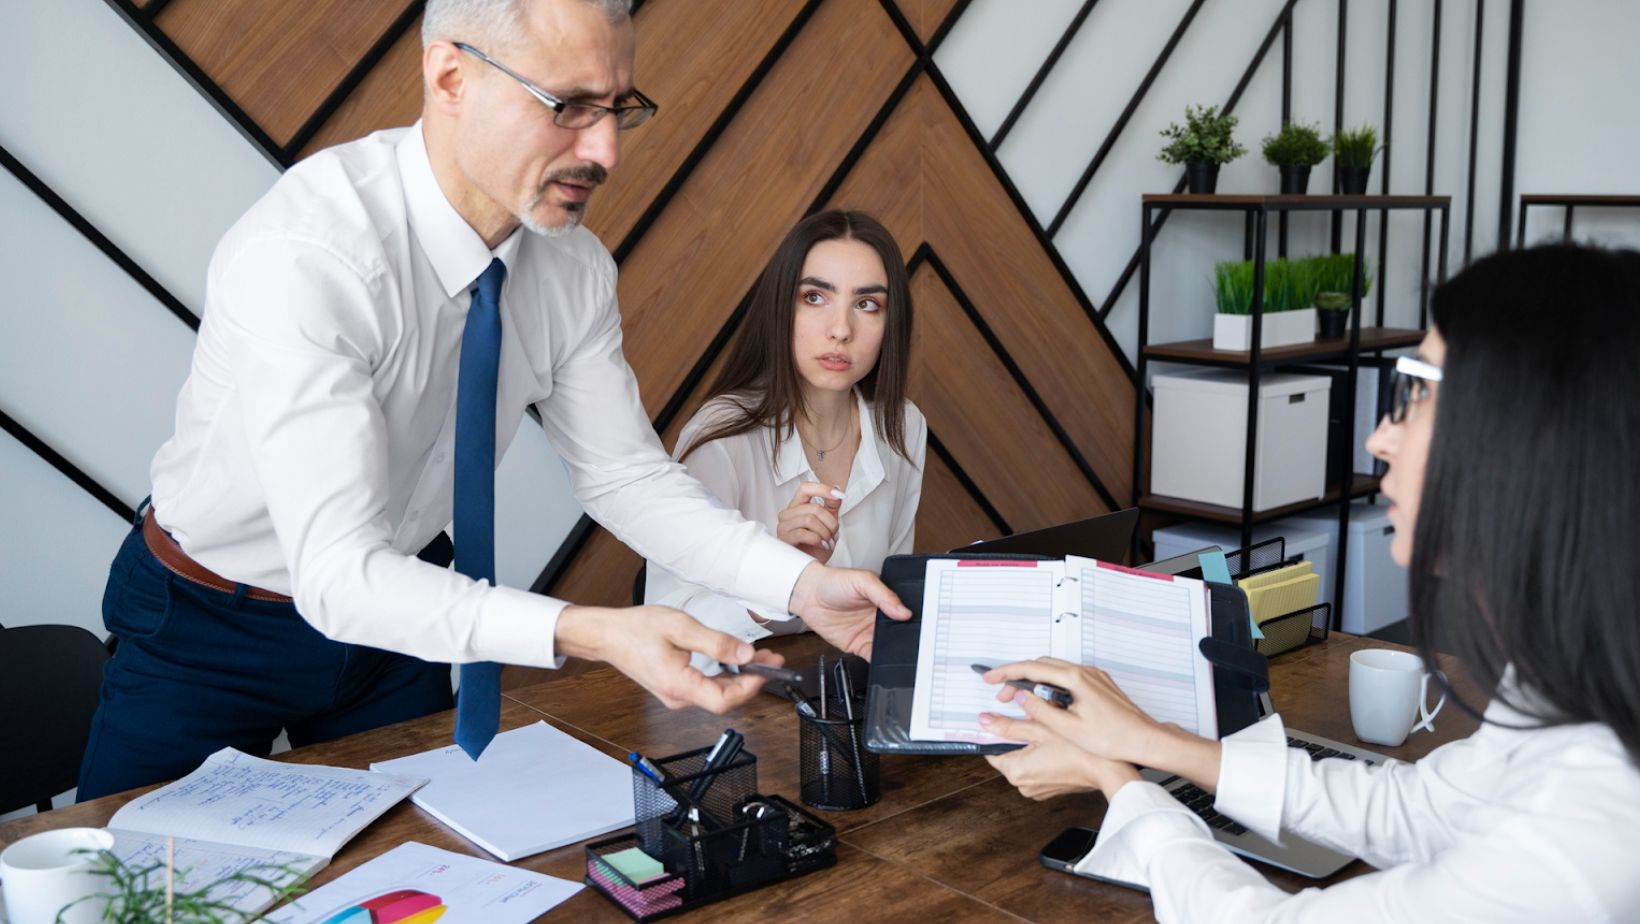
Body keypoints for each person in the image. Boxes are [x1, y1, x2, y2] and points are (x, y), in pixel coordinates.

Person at [76, 0, 909, 801]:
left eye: (618, 110)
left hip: (405, 617)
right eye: (568, 106)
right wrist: (593, 631)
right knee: (134, 878)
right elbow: (337, 574)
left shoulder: (572, 269)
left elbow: (624, 476)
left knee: (428, 867)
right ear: (450, 77)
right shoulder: (312, 256)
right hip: (208, 623)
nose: (606, 151)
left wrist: (800, 584)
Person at [978, 244, 1640, 920]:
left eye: (1417, 392)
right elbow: (1417, 812)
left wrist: (1117, 781)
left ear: (1533, 436)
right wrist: (1147, 742)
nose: (1379, 439)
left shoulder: (1584, 837)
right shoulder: (1568, 687)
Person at [644, 210, 925, 653]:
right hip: (734, 681)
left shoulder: (903, 425)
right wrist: (781, 579)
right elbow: (668, 622)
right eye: (814, 297)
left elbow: (891, 594)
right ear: (781, 308)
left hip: (850, 675)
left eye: (867, 304)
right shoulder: (721, 437)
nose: (840, 330)